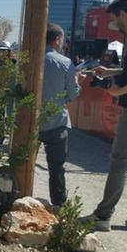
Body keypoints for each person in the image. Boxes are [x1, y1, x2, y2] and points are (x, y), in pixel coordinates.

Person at [83, 0, 127, 231]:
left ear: (123, 13)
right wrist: (109, 72)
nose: (113, 24)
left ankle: (103, 215)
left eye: (114, 18)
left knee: (120, 161)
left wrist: (118, 90)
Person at [38, 23, 81, 210]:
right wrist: (77, 83)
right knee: (56, 168)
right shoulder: (66, 63)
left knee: (22, 162)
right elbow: (71, 95)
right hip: (57, 122)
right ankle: (58, 205)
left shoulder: (32, 59)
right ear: (56, 39)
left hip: (33, 121)